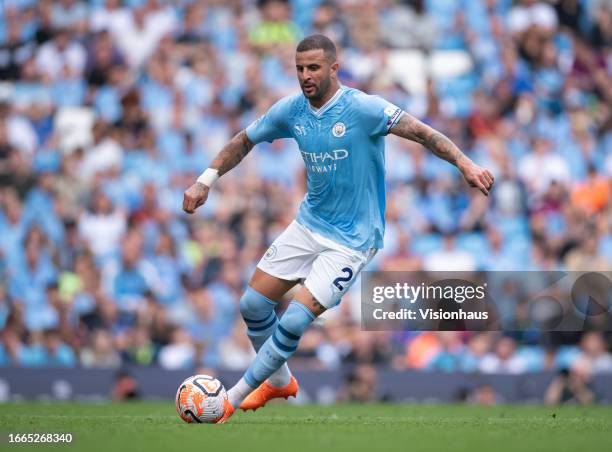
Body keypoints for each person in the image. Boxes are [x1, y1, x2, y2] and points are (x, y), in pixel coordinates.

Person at [182, 34, 494, 423]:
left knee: (295, 318)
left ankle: (229, 398)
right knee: (252, 305)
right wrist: (205, 180)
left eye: (313, 68)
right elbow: (243, 141)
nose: (305, 76)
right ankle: (279, 380)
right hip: (308, 224)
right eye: (299, 69)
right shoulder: (291, 110)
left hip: (352, 241)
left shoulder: (363, 108)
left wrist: (465, 163)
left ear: (333, 68)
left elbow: (422, 132)